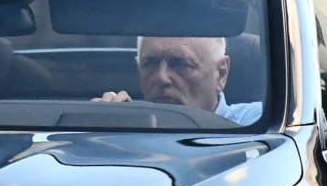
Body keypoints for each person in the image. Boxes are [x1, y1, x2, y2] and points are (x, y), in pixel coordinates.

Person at [98, 36, 260, 124]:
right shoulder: (128, 125)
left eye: (181, 64)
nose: (162, 77)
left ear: (221, 73)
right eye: (151, 64)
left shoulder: (257, 123)